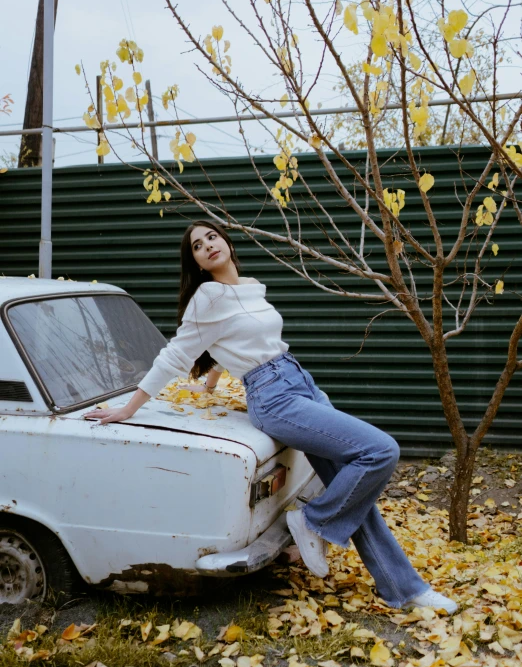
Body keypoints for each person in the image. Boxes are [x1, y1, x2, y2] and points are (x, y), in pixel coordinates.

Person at [84, 220, 457, 615]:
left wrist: (211, 383)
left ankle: (405, 589)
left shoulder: (250, 287)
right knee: (380, 451)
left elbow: (231, 339)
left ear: (226, 241)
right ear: (195, 261)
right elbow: (176, 354)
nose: (208, 245)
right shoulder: (207, 296)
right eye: (197, 245)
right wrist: (129, 408)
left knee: (355, 494)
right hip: (274, 397)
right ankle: (313, 523)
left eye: (212, 236)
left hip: (302, 382)